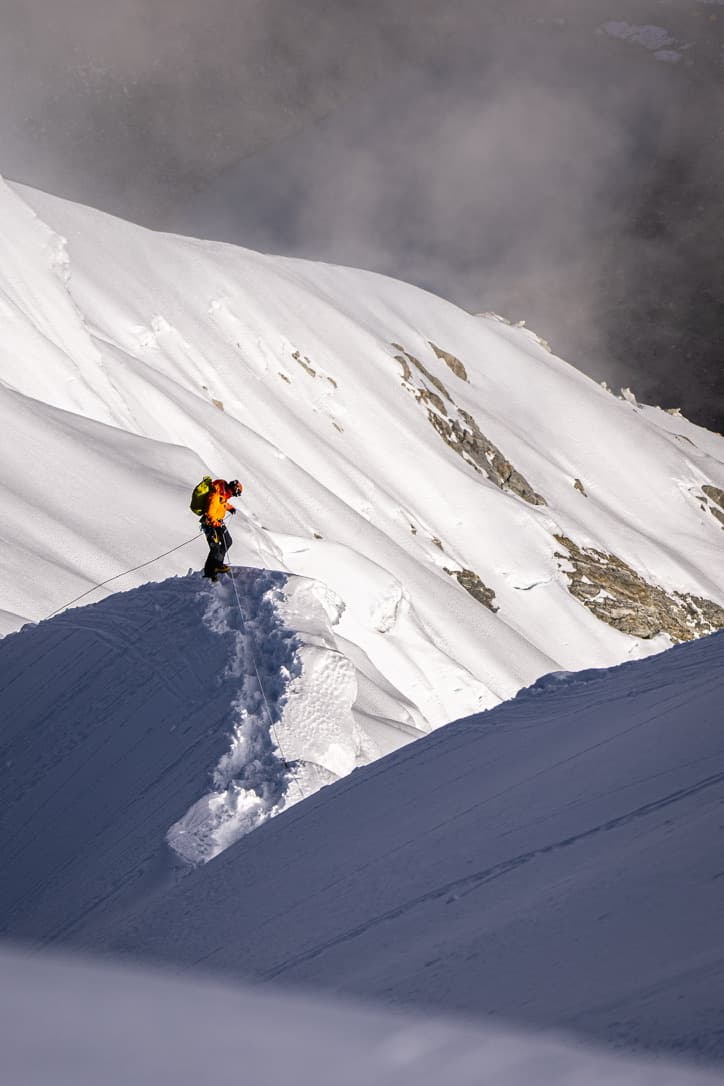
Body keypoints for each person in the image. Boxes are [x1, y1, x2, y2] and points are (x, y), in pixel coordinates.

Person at [201, 478, 243, 581]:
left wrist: (230, 507)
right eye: (236, 494)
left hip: (218, 523)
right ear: (234, 489)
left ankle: (217, 565)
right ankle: (210, 572)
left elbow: (222, 503)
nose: (234, 496)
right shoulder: (216, 493)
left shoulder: (223, 493)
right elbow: (210, 513)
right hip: (210, 524)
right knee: (215, 548)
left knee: (227, 541)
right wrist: (216, 524)